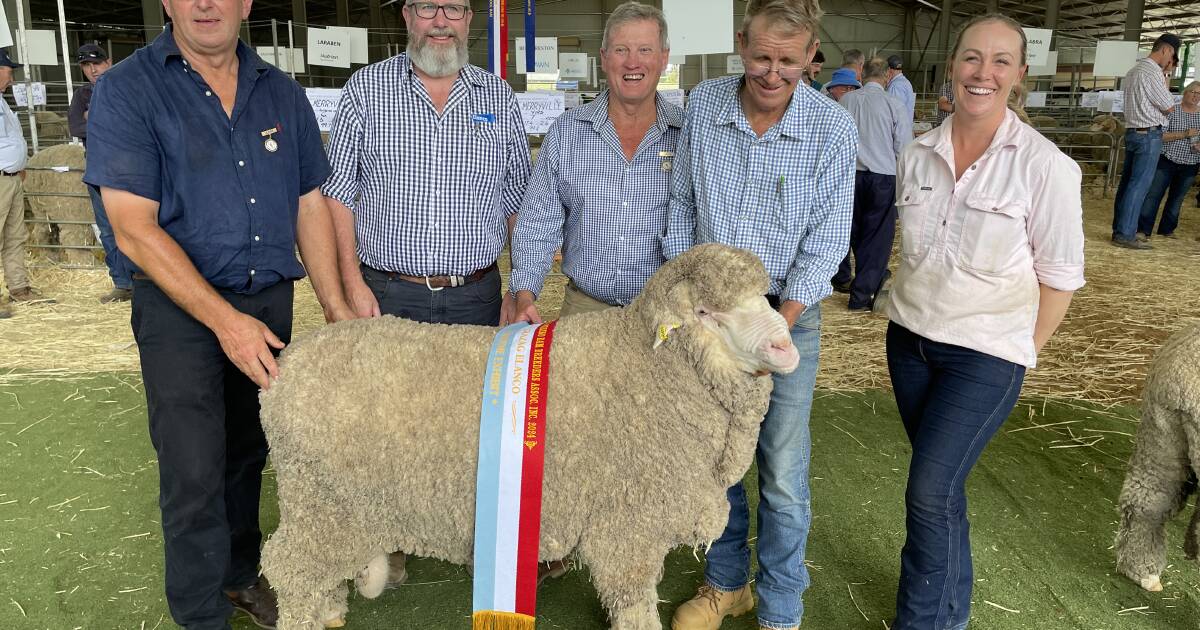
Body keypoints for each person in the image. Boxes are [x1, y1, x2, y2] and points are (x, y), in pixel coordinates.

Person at [83, 0, 354, 626]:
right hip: (180, 311)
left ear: (247, 4)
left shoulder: (280, 92)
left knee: (246, 454)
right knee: (193, 467)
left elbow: (308, 200)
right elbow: (133, 230)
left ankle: (237, 575)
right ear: (170, 4)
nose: (207, 4)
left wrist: (336, 307)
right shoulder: (129, 89)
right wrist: (224, 323)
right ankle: (200, 613)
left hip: (268, 299)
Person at [886, 14, 1084, 630]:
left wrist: (1020, 351)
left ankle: (923, 622)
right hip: (910, 341)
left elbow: (1061, 276)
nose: (984, 73)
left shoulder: (1045, 167)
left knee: (926, 493)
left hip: (985, 357)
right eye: (973, 58)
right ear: (952, 66)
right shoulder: (917, 152)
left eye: (1001, 61)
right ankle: (953, 612)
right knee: (940, 492)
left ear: (1019, 75)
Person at [664, 0, 856, 628]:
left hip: (784, 318)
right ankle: (725, 583)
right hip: (712, 324)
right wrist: (694, 301)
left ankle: (780, 603)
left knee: (780, 467)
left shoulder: (832, 129)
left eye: (788, 63)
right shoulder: (704, 107)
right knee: (716, 459)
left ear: (810, 57)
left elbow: (828, 240)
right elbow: (684, 206)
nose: (772, 73)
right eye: (761, 57)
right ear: (742, 43)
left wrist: (775, 321)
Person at [323, 0, 531, 326]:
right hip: (385, 296)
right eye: (427, 8)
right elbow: (337, 192)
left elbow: (518, 200)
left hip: (476, 300)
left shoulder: (499, 98)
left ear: (468, 19)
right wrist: (351, 284)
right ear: (407, 16)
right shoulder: (365, 90)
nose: (440, 21)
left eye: (453, 9)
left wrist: (521, 290)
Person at [510, 1, 682, 322]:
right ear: (604, 58)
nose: (633, 62)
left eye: (645, 49)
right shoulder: (567, 132)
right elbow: (537, 223)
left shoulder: (685, 134)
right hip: (584, 311)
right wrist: (524, 294)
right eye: (621, 50)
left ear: (663, 58)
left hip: (663, 315)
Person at [831, 56, 912, 310]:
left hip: (849, 176)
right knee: (876, 236)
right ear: (887, 76)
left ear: (861, 76)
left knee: (848, 231)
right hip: (883, 176)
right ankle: (861, 296)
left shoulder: (846, 101)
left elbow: (836, 140)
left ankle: (845, 278)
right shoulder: (894, 104)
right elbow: (904, 146)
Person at [68, 43, 130, 303]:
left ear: (109, 62)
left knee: (138, 222)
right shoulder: (82, 95)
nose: (92, 69)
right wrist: (104, 121)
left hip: (129, 166)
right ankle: (123, 282)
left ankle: (148, 279)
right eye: (86, 65)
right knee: (107, 227)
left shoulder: (126, 87)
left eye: (97, 63)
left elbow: (132, 124)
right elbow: (75, 125)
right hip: (97, 166)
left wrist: (93, 118)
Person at [1111, 33, 1181, 250]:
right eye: (1172, 55)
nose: (1171, 61)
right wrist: (1166, 77)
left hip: (1133, 131)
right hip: (1149, 135)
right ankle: (1125, 234)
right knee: (1139, 185)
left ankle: (1122, 229)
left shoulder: (1134, 71)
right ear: (1167, 50)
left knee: (1128, 184)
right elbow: (1169, 106)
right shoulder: (1152, 73)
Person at [0, 47, 52, 319]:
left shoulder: (2, 101)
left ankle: (19, 288)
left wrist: (18, 166)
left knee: (15, 236)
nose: (11, 78)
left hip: (11, 179)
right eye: (9, 71)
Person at [1137, 80, 1200, 241]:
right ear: (1185, 93)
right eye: (1193, 92)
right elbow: (1160, 136)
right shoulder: (1171, 112)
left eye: (1199, 94)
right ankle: (1143, 229)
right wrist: (1185, 134)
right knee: (1154, 195)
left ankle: (1167, 229)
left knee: (1177, 198)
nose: (1195, 96)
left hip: (1191, 163)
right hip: (1167, 159)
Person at [885, 54, 915, 122]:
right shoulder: (905, 82)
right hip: (904, 128)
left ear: (889, 69)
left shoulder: (896, 86)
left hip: (898, 130)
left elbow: (895, 112)